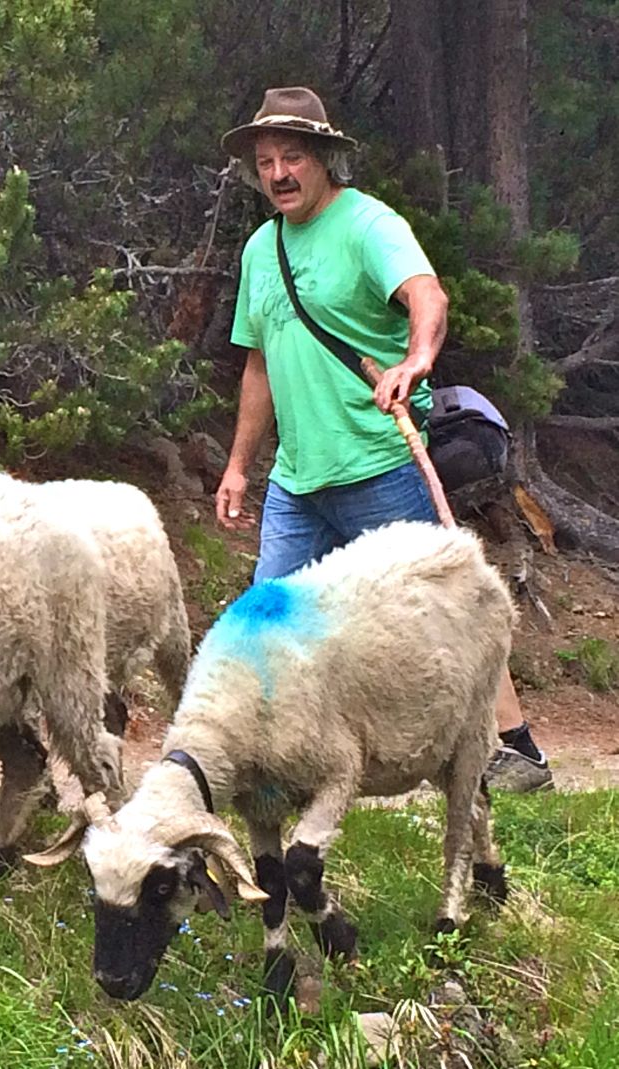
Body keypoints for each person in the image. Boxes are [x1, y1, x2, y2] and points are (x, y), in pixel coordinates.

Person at [214, 86, 551, 793]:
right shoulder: (258, 251)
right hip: (298, 481)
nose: (278, 173)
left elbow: (428, 297)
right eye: (267, 160)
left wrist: (415, 360)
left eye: (293, 157)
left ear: (326, 159)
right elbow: (260, 363)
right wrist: (239, 466)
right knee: (264, 614)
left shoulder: (370, 225)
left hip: (380, 464)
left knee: (448, 606)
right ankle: (263, 764)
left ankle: (513, 750)